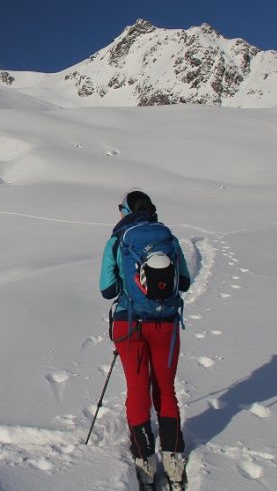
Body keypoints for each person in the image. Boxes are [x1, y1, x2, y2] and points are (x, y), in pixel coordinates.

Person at [99, 189, 191, 489]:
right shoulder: (167, 237)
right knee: (165, 388)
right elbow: (185, 282)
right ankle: (174, 461)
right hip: (165, 325)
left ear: (125, 210)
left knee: (137, 389)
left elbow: (107, 290)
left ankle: (144, 460)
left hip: (130, 325)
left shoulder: (118, 239)